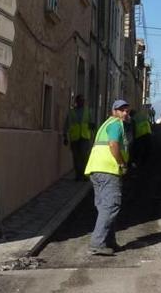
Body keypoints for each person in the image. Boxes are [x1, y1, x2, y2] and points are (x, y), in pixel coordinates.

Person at [84, 99, 131, 256]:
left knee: (104, 206)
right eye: (121, 110)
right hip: (108, 169)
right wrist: (122, 163)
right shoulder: (116, 124)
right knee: (110, 206)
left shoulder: (105, 124)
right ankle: (97, 243)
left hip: (95, 169)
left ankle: (109, 241)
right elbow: (113, 145)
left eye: (126, 110)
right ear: (114, 111)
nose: (125, 113)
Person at [64, 95, 93, 181]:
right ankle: (78, 175)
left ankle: (85, 174)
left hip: (85, 137)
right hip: (75, 137)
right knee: (76, 157)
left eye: (83, 100)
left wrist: (92, 131)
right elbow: (67, 124)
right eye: (80, 100)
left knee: (84, 156)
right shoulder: (71, 112)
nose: (82, 102)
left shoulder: (88, 111)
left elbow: (91, 123)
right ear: (76, 102)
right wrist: (65, 135)